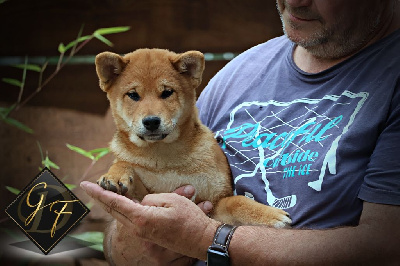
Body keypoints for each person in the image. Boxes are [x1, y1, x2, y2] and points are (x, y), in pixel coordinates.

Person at [80, 0, 400, 265]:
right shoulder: (238, 74)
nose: (296, 2)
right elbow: (121, 248)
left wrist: (207, 239)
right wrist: (135, 238)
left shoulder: (391, 76)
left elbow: (386, 248)